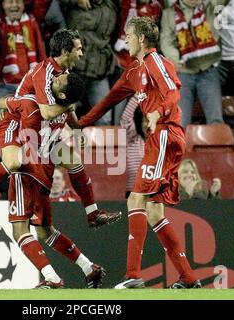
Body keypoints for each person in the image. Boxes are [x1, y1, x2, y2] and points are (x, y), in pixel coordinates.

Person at [79, 17, 201, 289]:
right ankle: (189, 278)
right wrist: (81, 122)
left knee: (135, 200)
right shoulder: (133, 71)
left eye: (129, 35)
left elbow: (172, 92)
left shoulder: (156, 62)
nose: (126, 40)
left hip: (166, 134)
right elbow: (109, 99)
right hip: (159, 139)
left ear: (142, 38)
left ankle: (133, 275)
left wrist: (158, 111)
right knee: (155, 212)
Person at [0, 29, 122, 229]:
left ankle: (93, 214)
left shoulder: (64, 73)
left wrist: (77, 128)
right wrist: (70, 105)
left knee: (73, 162)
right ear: (64, 51)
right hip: (15, 124)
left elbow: (63, 107)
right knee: (13, 162)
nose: (81, 54)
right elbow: (47, 112)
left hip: (40, 130)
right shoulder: (44, 73)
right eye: (78, 49)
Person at [0, 77, 107, 289]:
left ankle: (53, 279)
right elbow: (69, 116)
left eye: (59, 79)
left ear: (62, 93)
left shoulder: (33, 105)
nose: (54, 78)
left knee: (20, 231)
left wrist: (11, 107)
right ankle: (88, 266)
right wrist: (77, 130)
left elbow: (1, 102)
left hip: (27, 170)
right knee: (46, 231)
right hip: (45, 170)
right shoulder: (64, 107)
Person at [160, 0, 224, 127]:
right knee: (180, 122)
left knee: (216, 120)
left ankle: (217, 146)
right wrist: (176, 60)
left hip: (208, 69)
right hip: (183, 72)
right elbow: (166, 41)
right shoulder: (169, 14)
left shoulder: (211, 6)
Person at [0, 0, 47, 125]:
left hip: (31, 88)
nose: (14, 5)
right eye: (9, 2)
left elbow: (42, 2)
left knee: (37, 129)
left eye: (18, 1)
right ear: (2, 5)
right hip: (3, 87)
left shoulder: (33, 20)